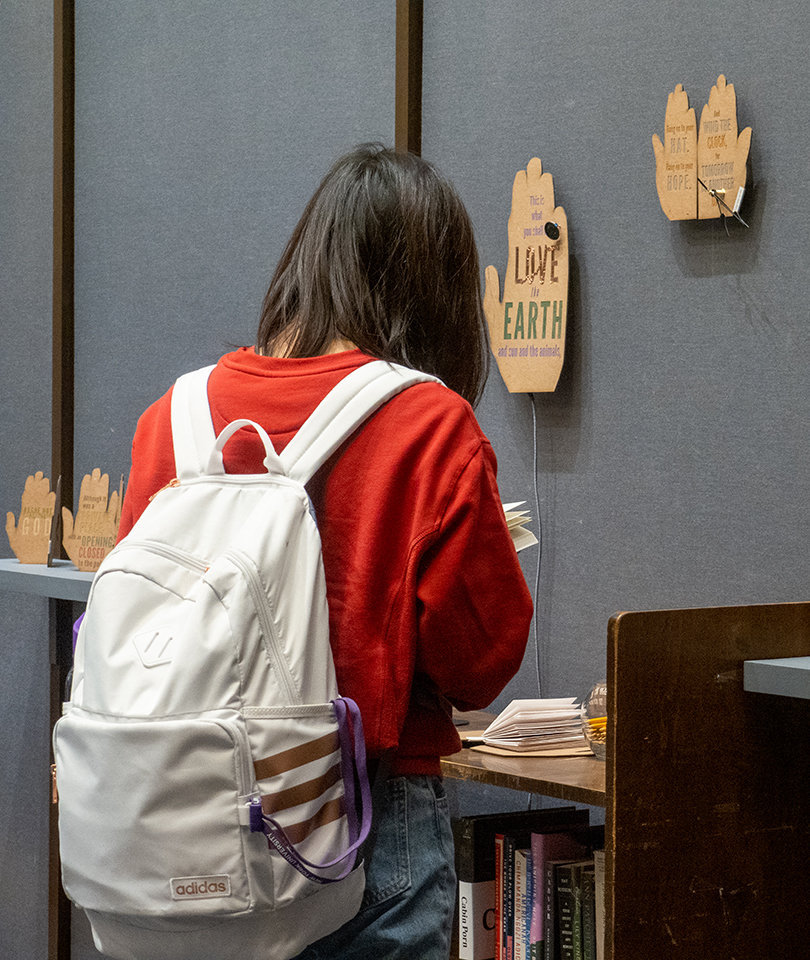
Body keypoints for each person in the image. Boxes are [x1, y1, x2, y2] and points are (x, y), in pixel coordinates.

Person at [117, 143, 533, 959]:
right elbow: (481, 661)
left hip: (177, 820)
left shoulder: (175, 416)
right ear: (435, 293)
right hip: (363, 828)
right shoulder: (429, 423)